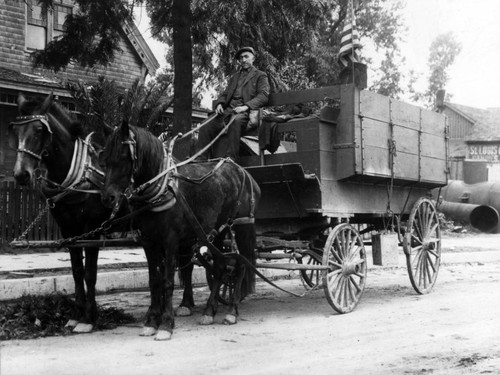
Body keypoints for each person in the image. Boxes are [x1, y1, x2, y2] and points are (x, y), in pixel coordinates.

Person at [195, 46, 270, 162]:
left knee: (235, 121)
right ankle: (200, 159)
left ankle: (231, 158)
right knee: (205, 124)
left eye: (246, 57)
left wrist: (245, 107)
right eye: (241, 58)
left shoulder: (260, 75)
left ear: (253, 58)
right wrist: (220, 104)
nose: (243, 60)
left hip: (246, 112)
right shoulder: (235, 77)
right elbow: (225, 94)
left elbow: (264, 96)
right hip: (227, 112)